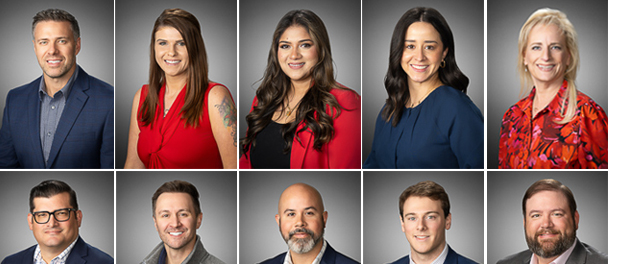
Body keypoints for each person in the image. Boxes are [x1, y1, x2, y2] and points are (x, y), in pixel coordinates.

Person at [0, 9, 114, 169]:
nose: (52, 50)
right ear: (35, 47)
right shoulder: (15, 99)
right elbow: (3, 166)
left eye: (62, 41)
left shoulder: (107, 100)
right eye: (44, 42)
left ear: (77, 45)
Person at [240, 10, 360, 169]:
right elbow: (245, 163)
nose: (294, 55)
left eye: (304, 45)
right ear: (276, 52)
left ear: (321, 50)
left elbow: (346, 168)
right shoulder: (264, 98)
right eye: (285, 46)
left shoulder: (344, 102)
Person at [364, 8, 482, 169]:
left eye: (429, 47)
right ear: (398, 52)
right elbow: (373, 166)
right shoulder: (388, 110)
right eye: (410, 46)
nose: (419, 57)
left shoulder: (458, 109)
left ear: (444, 53)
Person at [124, 8, 237, 169]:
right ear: (154, 47)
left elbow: (234, 169)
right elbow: (133, 164)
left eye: (181, 43)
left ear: (195, 47)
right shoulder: (142, 96)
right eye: (163, 43)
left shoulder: (216, 97)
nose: (171, 52)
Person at [498, 9, 607, 169]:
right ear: (524, 57)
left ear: (569, 56)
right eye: (536, 47)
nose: (546, 56)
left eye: (555, 47)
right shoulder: (512, 116)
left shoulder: (587, 114)